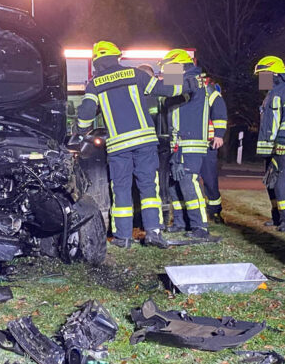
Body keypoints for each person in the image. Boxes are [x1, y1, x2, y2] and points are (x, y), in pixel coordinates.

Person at [75, 41, 188, 249]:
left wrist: (79, 131)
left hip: (119, 146)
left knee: (121, 189)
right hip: (145, 142)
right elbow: (166, 89)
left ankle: (123, 237)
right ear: (117, 58)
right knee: (148, 187)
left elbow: (87, 114)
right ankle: (154, 232)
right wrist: (188, 82)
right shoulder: (136, 74)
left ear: (96, 62)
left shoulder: (95, 83)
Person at [163, 50, 227, 239]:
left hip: (191, 145)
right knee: (175, 184)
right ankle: (181, 223)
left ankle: (200, 226)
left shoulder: (194, 82)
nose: (167, 73)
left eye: (169, 69)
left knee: (189, 183)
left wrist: (219, 134)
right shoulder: (181, 85)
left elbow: (219, 113)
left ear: (180, 67)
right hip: (178, 145)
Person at [253, 55, 285, 232]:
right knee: (271, 182)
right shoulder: (270, 94)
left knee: (282, 182)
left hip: (282, 146)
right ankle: (276, 217)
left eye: (263, 75)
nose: (261, 80)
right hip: (269, 147)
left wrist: (283, 139)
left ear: (275, 73)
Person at [201, 80, 226, 224]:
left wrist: (219, 134)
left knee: (210, 180)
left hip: (208, 144)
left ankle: (215, 212)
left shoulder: (210, 92)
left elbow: (220, 114)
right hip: (190, 144)